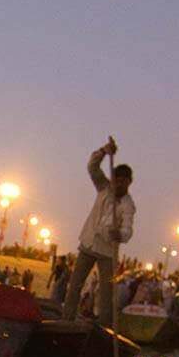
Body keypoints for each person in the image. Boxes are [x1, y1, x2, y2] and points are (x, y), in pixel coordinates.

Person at [62, 137, 135, 322]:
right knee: (75, 285)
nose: (119, 184)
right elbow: (92, 167)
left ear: (129, 183)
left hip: (108, 252)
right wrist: (104, 151)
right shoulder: (104, 188)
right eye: (116, 180)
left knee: (106, 293)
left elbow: (127, 228)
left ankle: (104, 327)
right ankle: (66, 320)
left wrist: (120, 235)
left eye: (123, 182)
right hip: (88, 243)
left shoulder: (128, 204)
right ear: (113, 180)